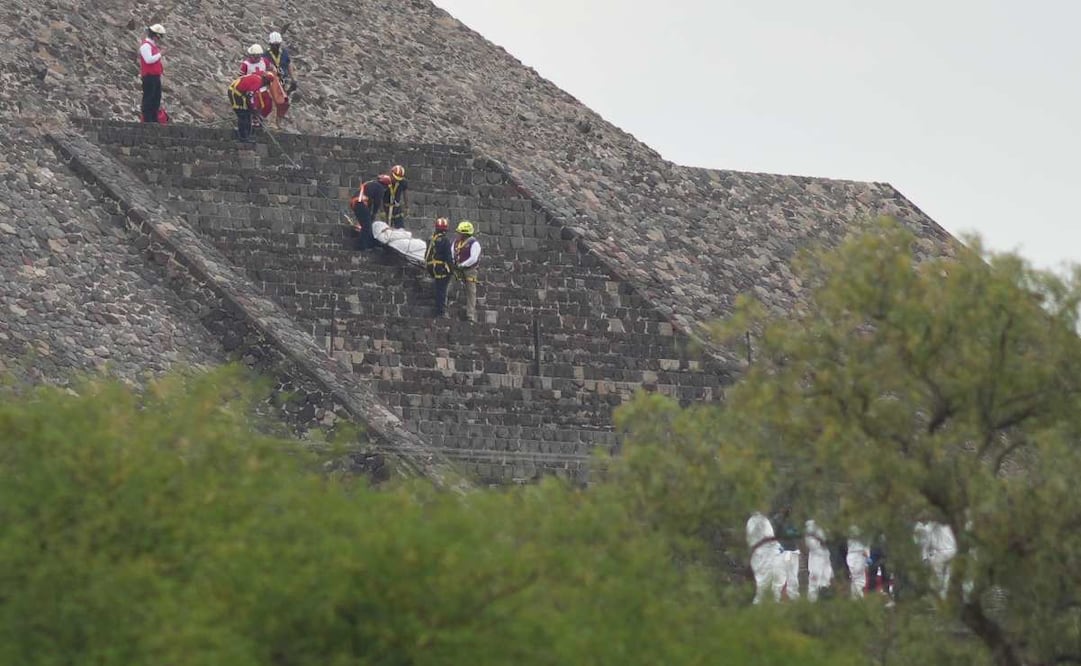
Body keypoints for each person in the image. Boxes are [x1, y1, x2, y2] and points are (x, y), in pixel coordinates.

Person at [228, 71, 272, 142]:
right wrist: (254, 109)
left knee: (247, 114)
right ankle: (243, 137)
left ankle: (247, 136)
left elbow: (251, 97)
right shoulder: (258, 83)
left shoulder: (258, 79)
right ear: (266, 81)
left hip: (240, 94)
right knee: (243, 114)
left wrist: (253, 109)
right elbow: (249, 96)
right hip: (235, 93)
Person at [350, 175, 391, 250]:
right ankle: (361, 246)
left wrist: (370, 214)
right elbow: (377, 202)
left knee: (366, 224)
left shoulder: (372, 184)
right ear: (386, 185)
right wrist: (374, 213)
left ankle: (367, 244)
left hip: (355, 202)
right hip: (360, 203)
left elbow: (370, 201)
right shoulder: (380, 188)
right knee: (367, 226)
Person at [452, 220, 481, 322]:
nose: (458, 234)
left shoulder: (474, 243)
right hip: (457, 269)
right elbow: (452, 253)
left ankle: (470, 315)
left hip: (470, 270)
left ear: (465, 234)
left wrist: (462, 265)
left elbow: (473, 258)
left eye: (460, 232)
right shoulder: (456, 242)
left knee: (471, 291)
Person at [425, 218, 454, 318]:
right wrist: (451, 269)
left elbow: (427, 255)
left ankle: (438, 309)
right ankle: (440, 311)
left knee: (438, 288)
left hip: (432, 267)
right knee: (441, 289)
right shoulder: (445, 241)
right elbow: (448, 257)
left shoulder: (431, 239)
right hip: (441, 268)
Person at [239, 44, 273, 128]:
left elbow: (271, 69)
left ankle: (261, 118)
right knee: (254, 104)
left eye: (258, 56)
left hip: (263, 88)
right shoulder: (245, 64)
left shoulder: (264, 61)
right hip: (252, 89)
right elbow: (241, 77)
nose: (256, 58)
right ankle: (254, 120)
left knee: (267, 104)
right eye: (255, 56)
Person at [138, 24, 166, 123]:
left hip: (155, 76)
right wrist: (160, 54)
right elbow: (148, 60)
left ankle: (154, 119)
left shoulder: (152, 46)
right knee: (149, 98)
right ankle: (147, 119)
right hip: (149, 76)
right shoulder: (145, 45)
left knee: (156, 98)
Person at [266, 32, 294, 126]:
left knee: (283, 102)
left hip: (283, 81)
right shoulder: (266, 55)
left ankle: (278, 122)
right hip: (272, 82)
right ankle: (272, 123)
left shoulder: (284, 53)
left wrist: (293, 79)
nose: (275, 47)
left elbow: (289, 65)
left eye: (277, 45)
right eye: (273, 45)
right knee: (273, 101)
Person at [805, 519, 834, 602]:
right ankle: (812, 603)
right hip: (816, 558)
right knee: (814, 582)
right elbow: (809, 543)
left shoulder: (825, 525)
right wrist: (821, 543)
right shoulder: (811, 526)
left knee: (825, 581)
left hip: (826, 556)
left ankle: (823, 602)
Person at [384, 164, 408, 229]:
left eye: (399, 179)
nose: (397, 180)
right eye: (395, 178)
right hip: (386, 207)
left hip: (396, 207)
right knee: (386, 228)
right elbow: (380, 196)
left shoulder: (403, 182)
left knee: (400, 228)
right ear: (391, 174)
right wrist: (381, 211)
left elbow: (405, 194)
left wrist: (407, 207)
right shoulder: (385, 181)